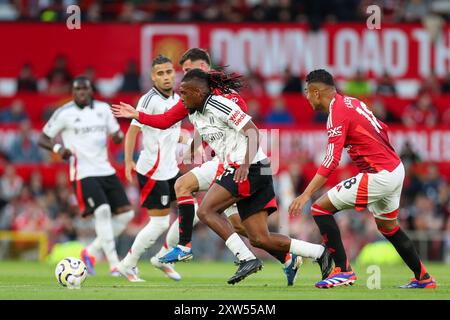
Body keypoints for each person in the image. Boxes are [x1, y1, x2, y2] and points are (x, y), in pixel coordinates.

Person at [112, 48, 316, 286]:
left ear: (205, 68)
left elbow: (238, 128)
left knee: (189, 190)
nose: (184, 77)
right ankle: (287, 257)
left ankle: (188, 247)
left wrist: (202, 143)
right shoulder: (192, 95)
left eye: (190, 70)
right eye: (184, 72)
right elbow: (169, 120)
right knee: (240, 225)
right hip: (223, 160)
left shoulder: (225, 97)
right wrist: (140, 115)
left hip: (237, 161)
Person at [288, 69, 436, 289]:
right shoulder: (352, 102)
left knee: (319, 208)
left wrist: (305, 194)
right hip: (395, 169)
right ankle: (424, 278)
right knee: (388, 227)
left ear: (317, 92)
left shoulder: (336, 113)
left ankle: (343, 271)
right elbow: (382, 129)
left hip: (379, 174)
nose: (306, 97)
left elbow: (331, 161)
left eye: (307, 92)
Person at [38, 76, 135, 276]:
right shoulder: (64, 113)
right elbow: (43, 138)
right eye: (76, 90)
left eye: (84, 89)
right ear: (73, 92)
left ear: (91, 91)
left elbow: (116, 134)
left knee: (127, 214)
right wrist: (58, 148)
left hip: (105, 169)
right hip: (83, 172)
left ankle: (89, 252)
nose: (80, 93)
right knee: (103, 211)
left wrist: (117, 137)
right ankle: (114, 264)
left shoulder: (103, 109)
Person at [116, 55, 183, 282]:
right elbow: (132, 131)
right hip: (153, 171)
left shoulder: (178, 99)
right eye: (160, 74)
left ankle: (163, 257)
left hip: (171, 168)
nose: (165, 77)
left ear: (174, 73)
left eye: (168, 72)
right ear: (153, 77)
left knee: (191, 211)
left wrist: (190, 142)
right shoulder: (148, 100)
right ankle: (128, 264)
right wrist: (127, 160)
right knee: (160, 222)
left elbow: (173, 132)